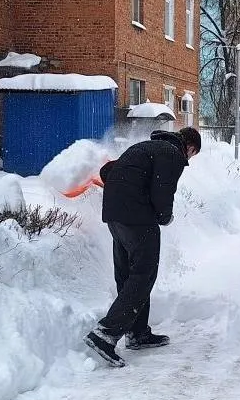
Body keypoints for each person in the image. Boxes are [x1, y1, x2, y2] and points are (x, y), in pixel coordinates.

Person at [84, 127, 201, 367]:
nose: (189, 158)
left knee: (128, 275)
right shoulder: (172, 153)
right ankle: (105, 333)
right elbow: (163, 189)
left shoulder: (144, 147)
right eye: (192, 154)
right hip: (137, 217)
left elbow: (107, 170)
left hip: (115, 215)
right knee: (143, 275)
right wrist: (164, 216)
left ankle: (137, 332)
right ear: (190, 147)